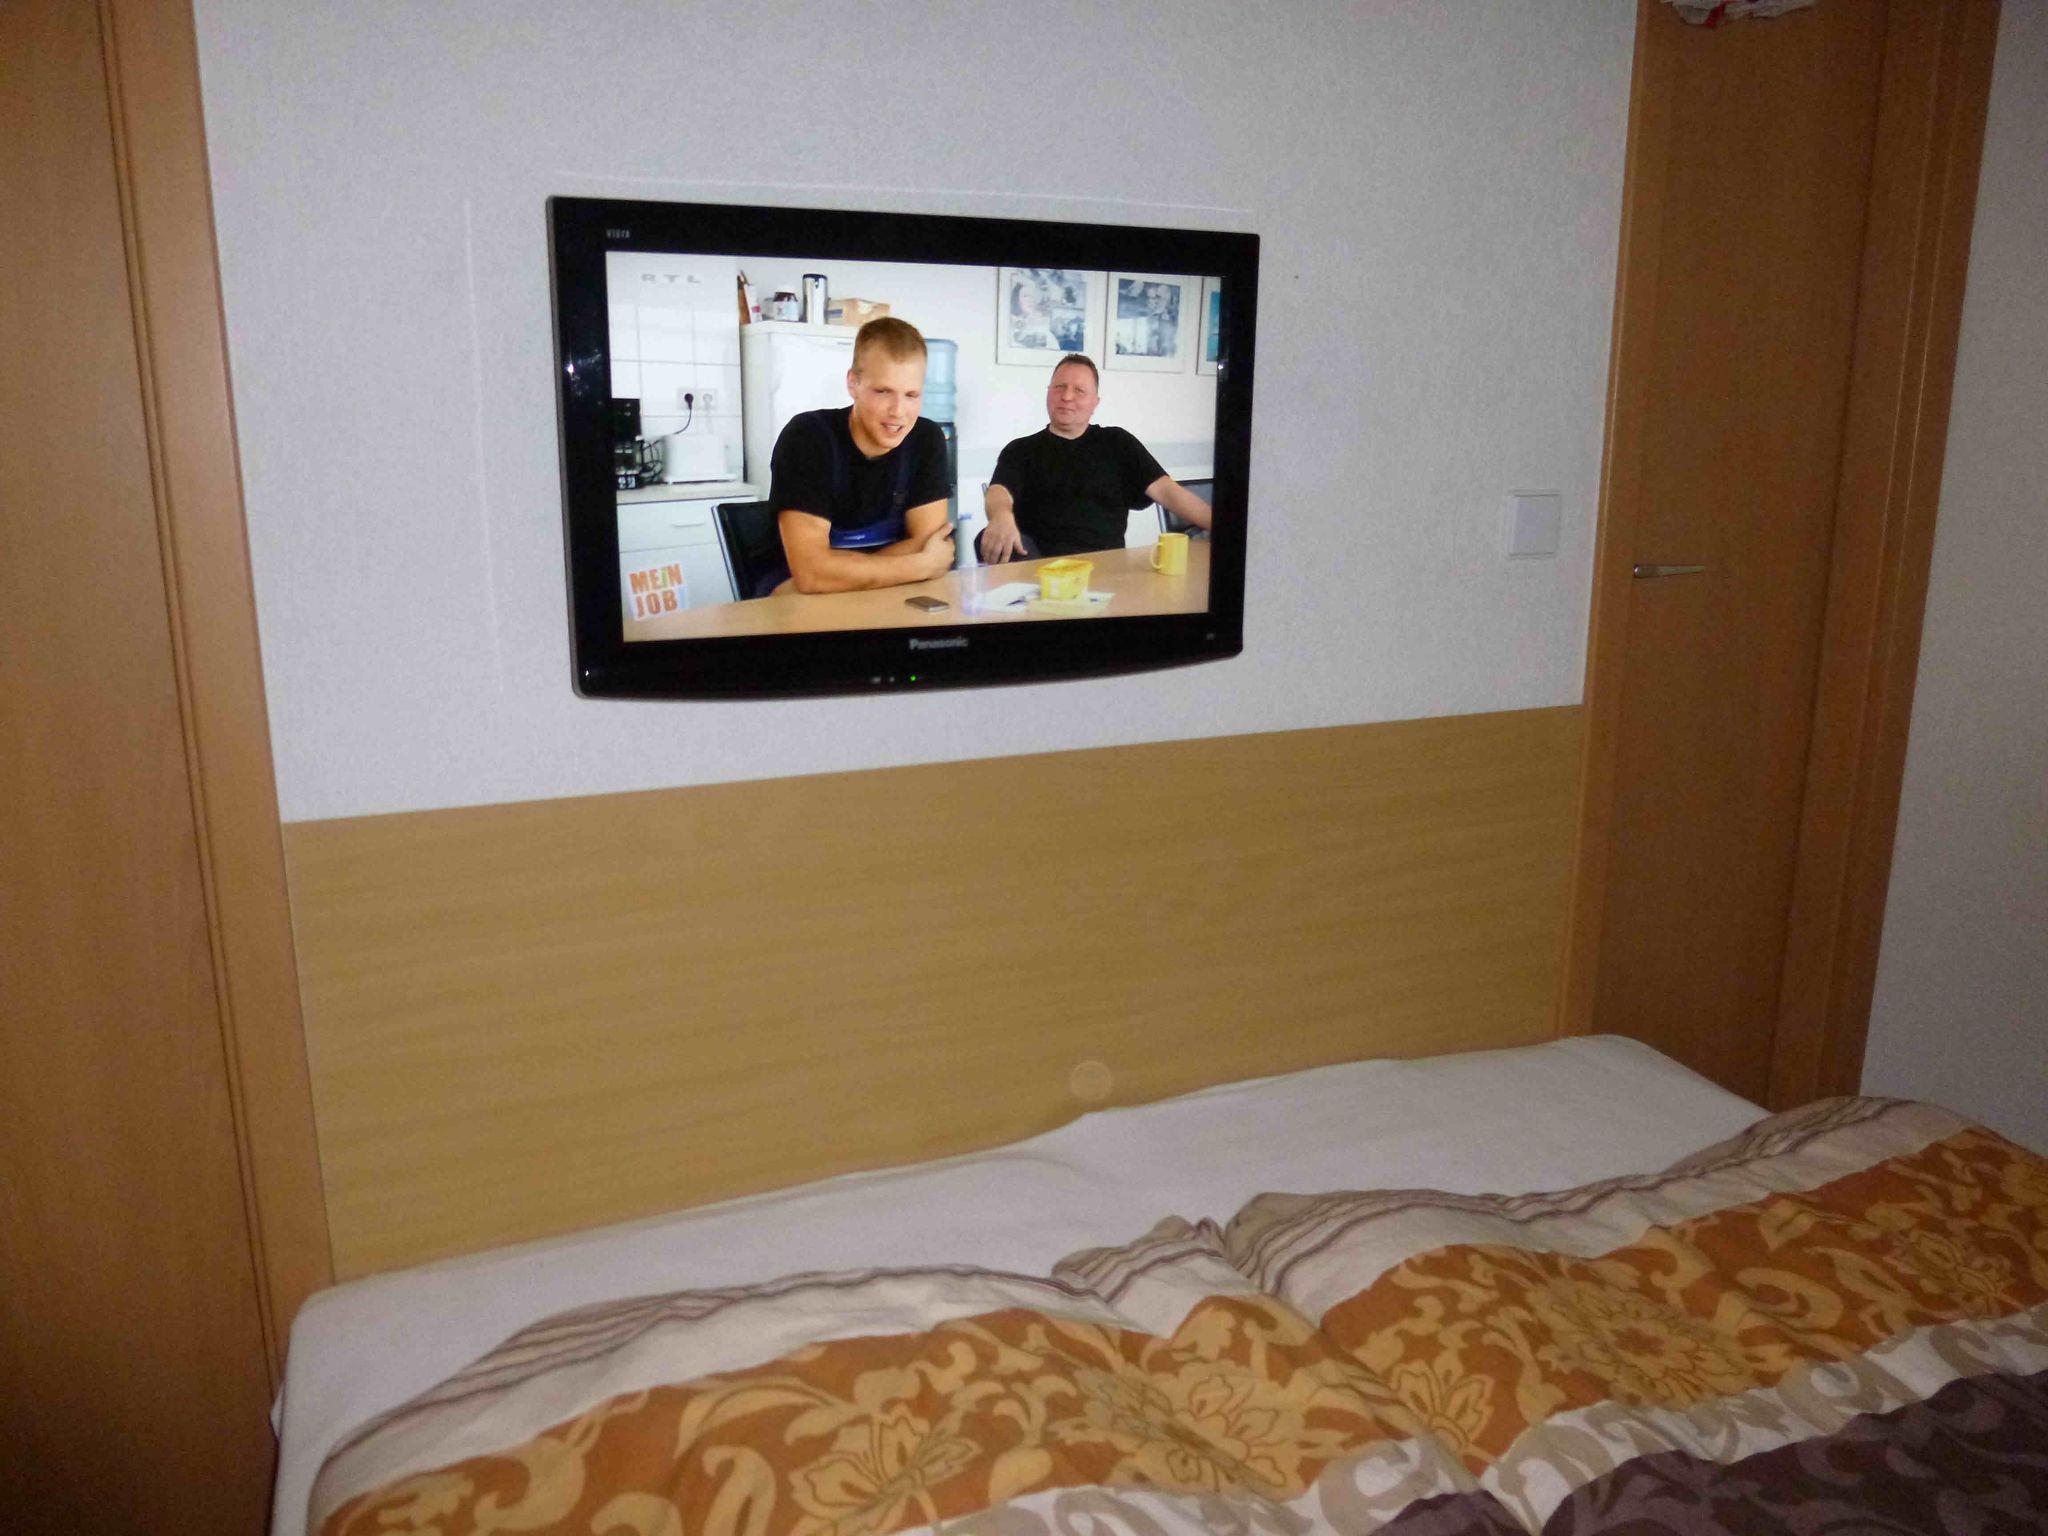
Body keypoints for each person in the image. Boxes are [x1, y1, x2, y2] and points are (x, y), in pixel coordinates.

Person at [762, 317, 954, 595]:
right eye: (883, 391)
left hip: (888, 595)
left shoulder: (926, 439)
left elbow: (929, 544)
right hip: (797, 600)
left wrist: (835, 572)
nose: (898, 411)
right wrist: (920, 565)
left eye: (911, 395)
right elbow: (811, 576)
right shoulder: (807, 437)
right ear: (853, 383)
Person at [978, 354, 1212, 563]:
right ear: (1048, 393)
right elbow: (999, 491)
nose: (1066, 396)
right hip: (1040, 573)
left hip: (1108, 570)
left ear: (1095, 403)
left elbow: (1167, 491)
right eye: (1059, 387)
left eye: (1079, 390)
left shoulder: (1118, 443)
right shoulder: (1020, 450)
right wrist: (1000, 516)